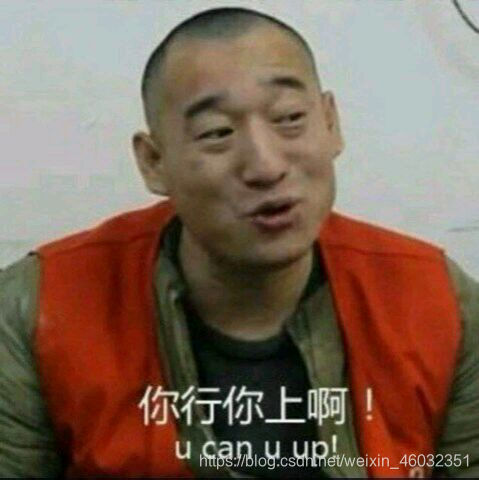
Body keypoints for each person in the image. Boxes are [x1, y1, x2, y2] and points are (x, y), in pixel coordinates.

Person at [0, 7, 478, 479]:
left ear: (331, 123)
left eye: (289, 117)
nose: (265, 166)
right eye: (217, 133)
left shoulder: (436, 300)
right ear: (154, 162)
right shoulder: (40, 307)